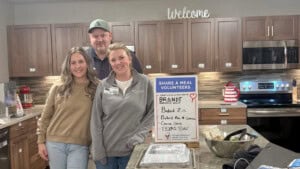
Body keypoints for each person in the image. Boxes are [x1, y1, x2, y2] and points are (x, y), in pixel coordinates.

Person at [90, 43, 154, 169]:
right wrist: (98, 150)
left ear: (129, 59)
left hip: (133, 151)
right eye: (113, 60)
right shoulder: (103, 85)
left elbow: (152, 113)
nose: (118, 62)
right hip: (106, 154)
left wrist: (139, 136)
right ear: (110, 63)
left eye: (121, 58)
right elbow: (95, 120)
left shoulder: (144, 82)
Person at [37, 47, 99, 169]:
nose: (77, 66)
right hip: (54, 142)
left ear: (87, 63)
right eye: (73, 63)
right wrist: (40, 141)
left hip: (80, 144)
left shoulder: (97, 86)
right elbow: (46, 116)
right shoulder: (58, 86)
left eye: (81, 61)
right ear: (68, 66)